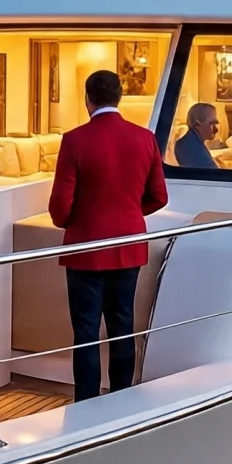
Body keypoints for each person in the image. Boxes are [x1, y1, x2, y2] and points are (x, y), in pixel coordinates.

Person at [48, 69, 168, 402]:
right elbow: (159, 195)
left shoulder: (75, 140)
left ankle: (86, 405)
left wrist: (80, 219)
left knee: (85, 332)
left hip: (86, 247)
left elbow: (59, 207)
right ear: (119, 98)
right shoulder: (145, 138)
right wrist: (128, 213)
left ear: (88, 99)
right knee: (122, 326)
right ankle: (121, 400)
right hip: (128, 245)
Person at [174, 102, 219, 169]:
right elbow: (212, 175)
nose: (216, 129)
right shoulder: (190, 147)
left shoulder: (193, 142)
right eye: (212, 124)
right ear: (197, 124)